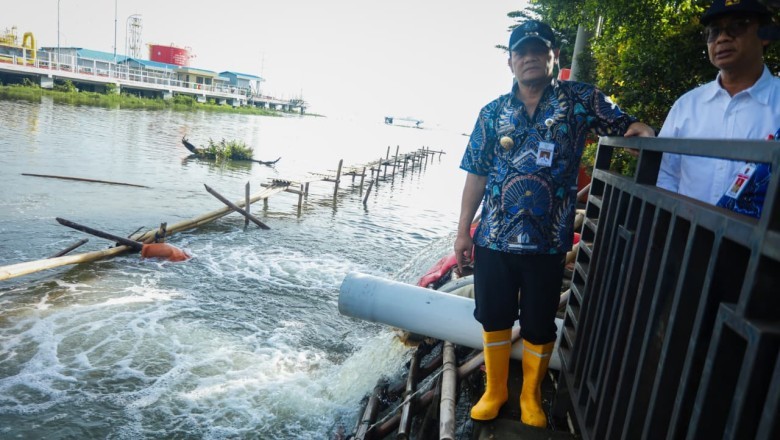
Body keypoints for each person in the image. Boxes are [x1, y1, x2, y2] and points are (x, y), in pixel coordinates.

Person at [455, 20, 654, 428]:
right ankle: (496, 390)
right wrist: (462, 232)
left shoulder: (580, 100)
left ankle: (530, 395)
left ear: (554, 56)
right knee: (493, 316)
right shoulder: (492, 112)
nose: (529, 58)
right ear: (510, 61)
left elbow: (626, 125)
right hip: (493, 238)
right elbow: (476, 173)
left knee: (539, 322)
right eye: (521, 52)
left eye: (538, 50)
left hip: (548, 241)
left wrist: (642, 134)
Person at [656, 0, 780, 218]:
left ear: (765, 34)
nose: (722, 38)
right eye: (714, 32)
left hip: (759, 238)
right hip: (684, 233)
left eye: (737, 26)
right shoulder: (686, 105)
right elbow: (666, 174)